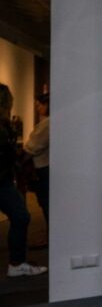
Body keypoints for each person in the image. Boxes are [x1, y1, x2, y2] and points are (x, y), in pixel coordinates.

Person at [0, 84, 47, 277]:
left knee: (20, 215)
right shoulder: (2, 127)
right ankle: (17, 263)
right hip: (1, 179)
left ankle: (17, 263)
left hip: (3, 178)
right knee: (21, 215)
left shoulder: (4, 126)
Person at [23, 92, 50, 235]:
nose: (37, 108)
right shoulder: (47, 123)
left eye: (39, 105)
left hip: (43, 168)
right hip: (44, 167)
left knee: (46, 203)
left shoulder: (47, 124)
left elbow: (33, 147)